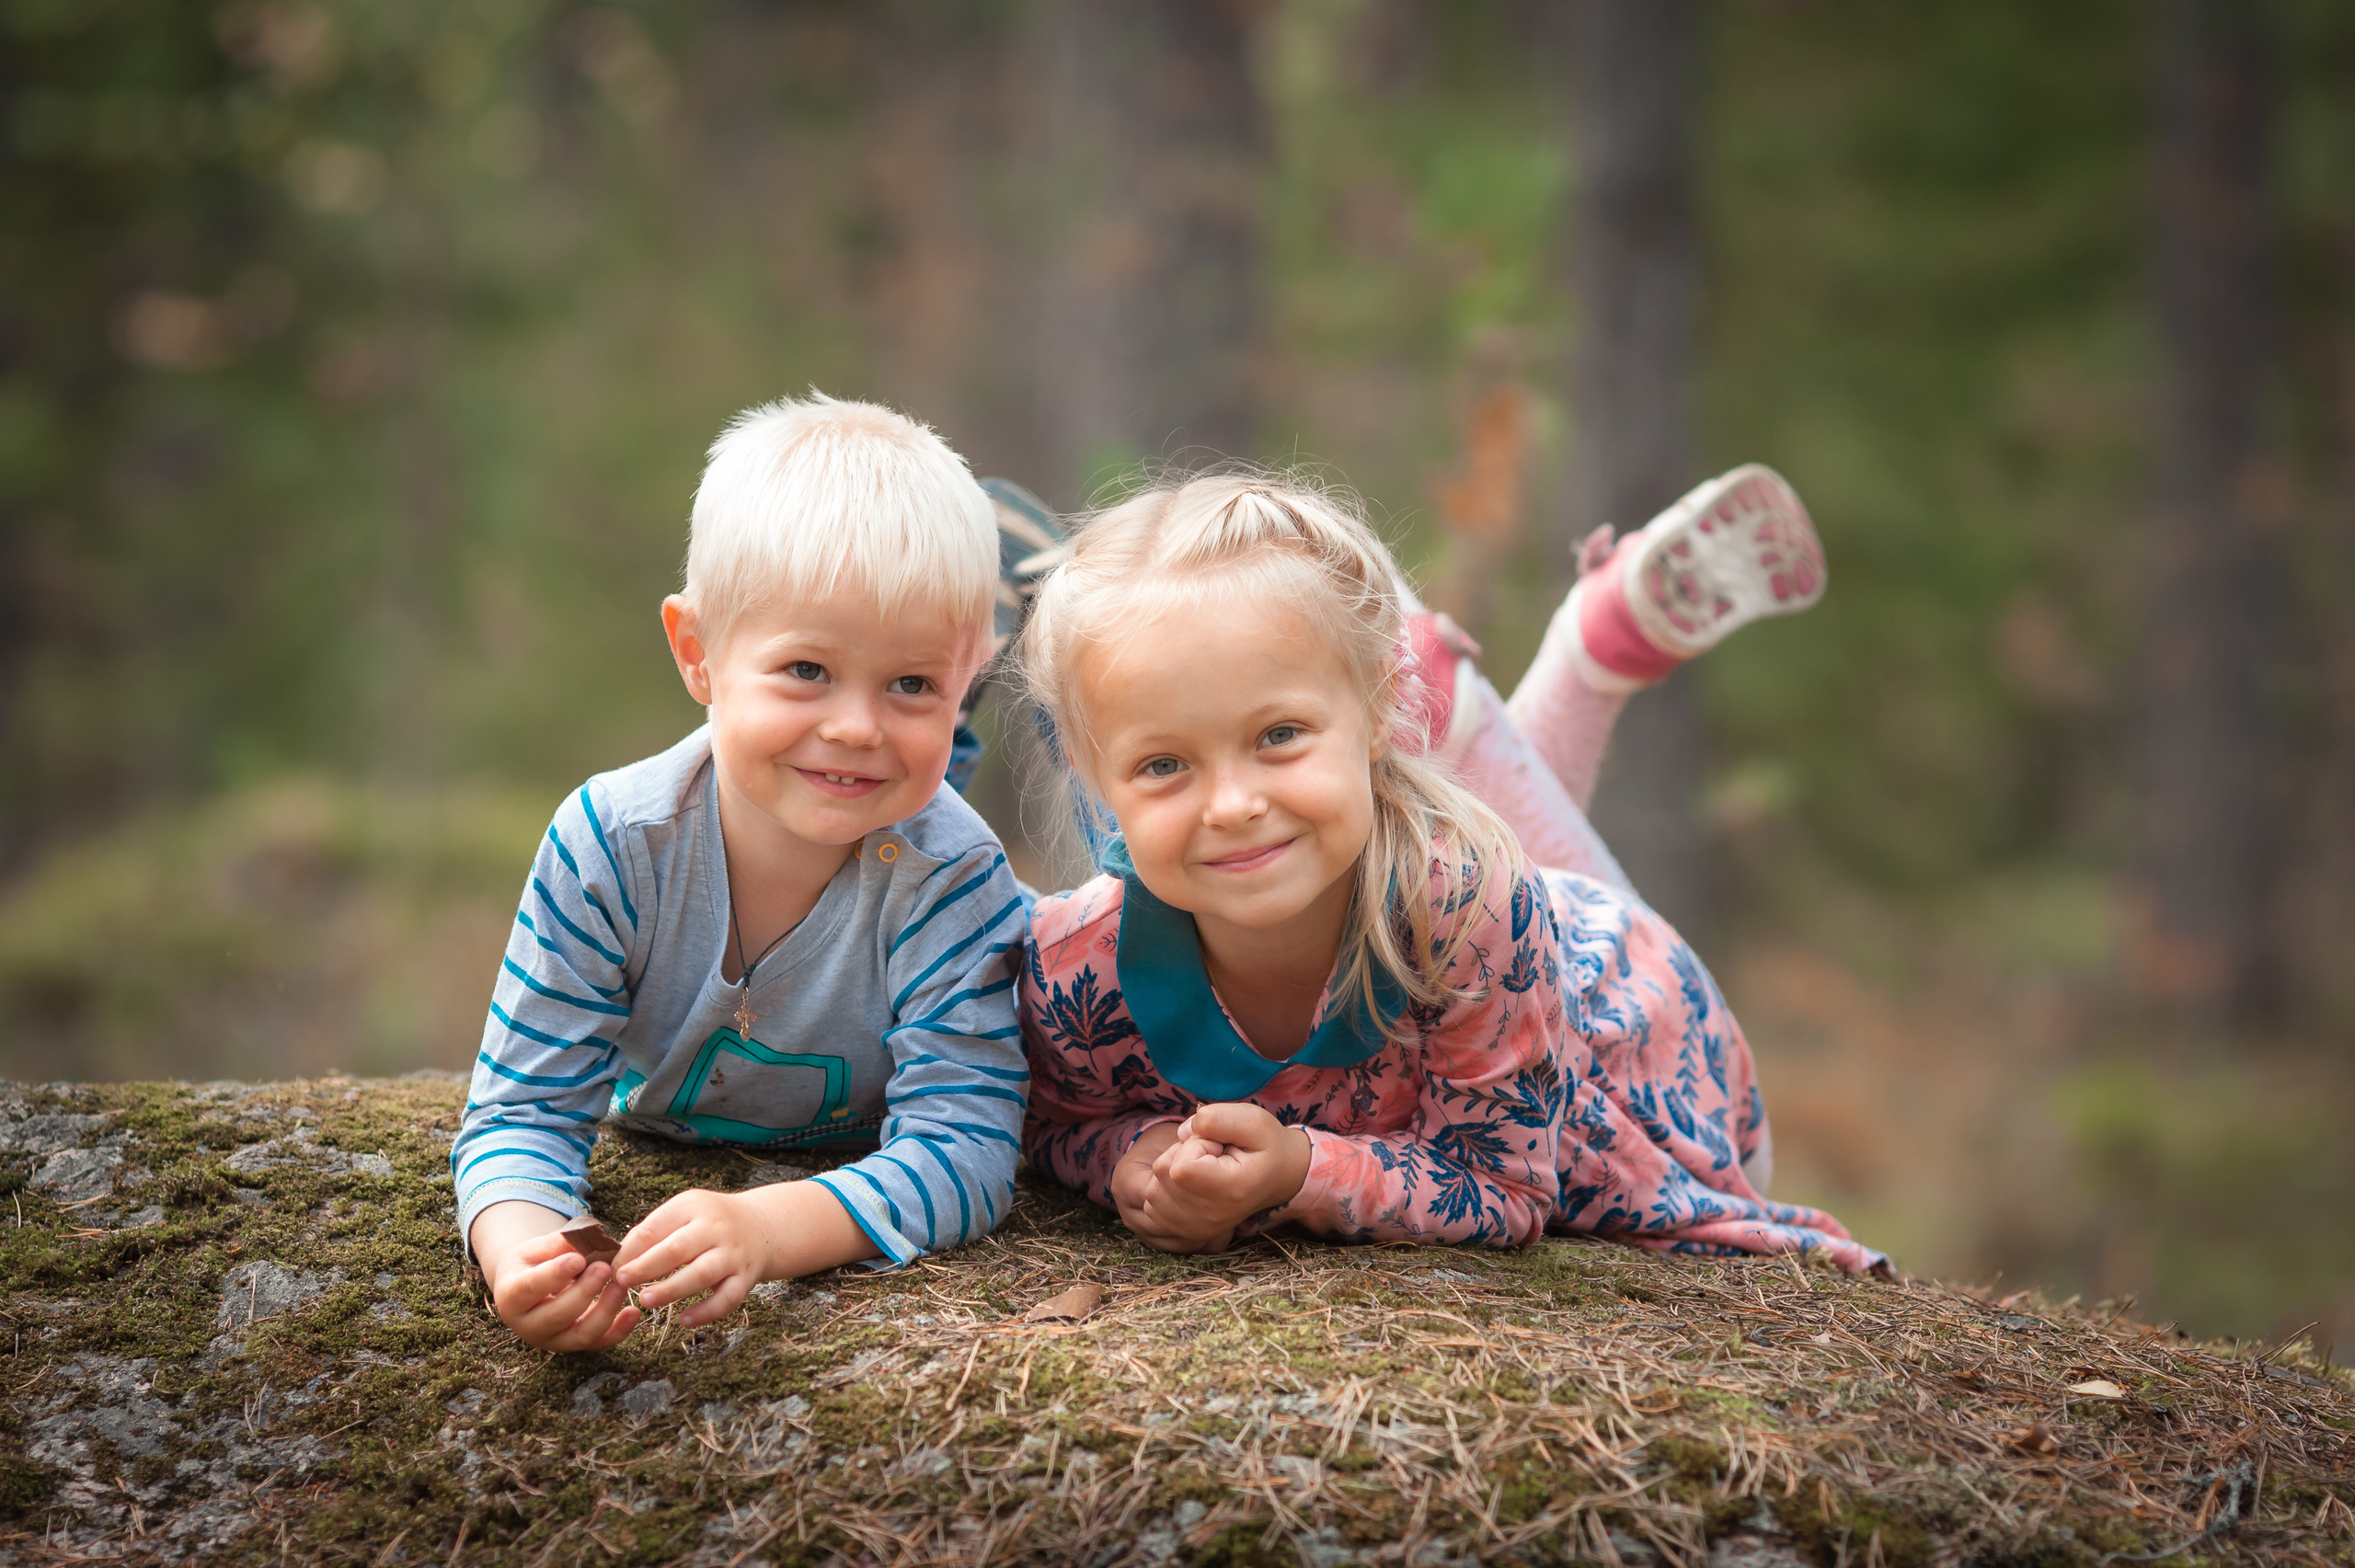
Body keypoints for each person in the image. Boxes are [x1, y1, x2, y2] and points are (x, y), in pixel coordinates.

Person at [1014, 469, 1880, 1269]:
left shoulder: (1477, 911)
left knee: (1482, 872)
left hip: (1627, 1029)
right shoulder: (1073, 965)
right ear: (1093, 778)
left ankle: (1582, 662)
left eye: (1278, 735)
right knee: (1456, 849)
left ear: (1384, 710)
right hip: (1458, 894)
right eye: (1164, 764)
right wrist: (1128, 1153)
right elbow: (1047, 1123)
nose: (1232, 803)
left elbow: (1507, 1185)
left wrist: (1297, 1169)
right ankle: (1582, 652)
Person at [454, 394, 1030, 1353]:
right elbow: (521, 1109)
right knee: (867, 776)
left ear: (967, 674)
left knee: (1074, 905)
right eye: (805, 668)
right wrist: (521, 1249)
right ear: (698, 653)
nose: (854, 721)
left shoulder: (959, 880)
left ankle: (1036, 648)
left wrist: (773, 1228)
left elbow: (968, 1151)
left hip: (913, 876)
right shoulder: (611, 843)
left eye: (914, 683)